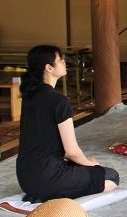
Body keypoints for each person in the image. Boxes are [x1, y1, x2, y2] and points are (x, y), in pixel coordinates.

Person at [16, 45, 119, 202]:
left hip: (25, 179)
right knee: (112, 176)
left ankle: (53, 190)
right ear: (49, 68)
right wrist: (91, 165)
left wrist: (84, 165)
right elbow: (71, 152)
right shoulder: (59, 101)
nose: (64, 62)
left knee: (86, 170)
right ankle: (55, 194)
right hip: (49, 177)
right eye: (60, 60)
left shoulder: (29, 97)